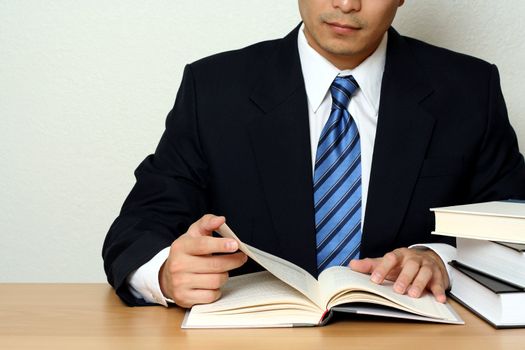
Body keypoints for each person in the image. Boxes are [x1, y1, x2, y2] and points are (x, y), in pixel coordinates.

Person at [102, 0, 525, 308]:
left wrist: (441, 258)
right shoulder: (213, 89)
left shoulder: (470, 90)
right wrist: (164, 274)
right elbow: (140, 223)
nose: (346, 3)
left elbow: (512, 221)